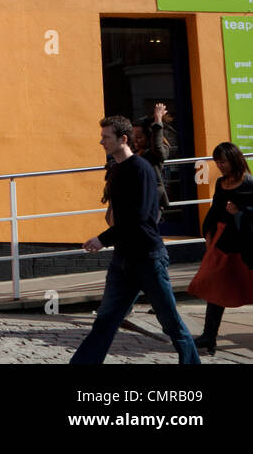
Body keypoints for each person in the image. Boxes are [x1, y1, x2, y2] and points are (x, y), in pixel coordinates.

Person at [69, 115, 201, 364]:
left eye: (106, 137)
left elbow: (139, 218)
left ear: (123, 139)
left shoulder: (140, 169)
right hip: (123, 260)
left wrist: (103, 238)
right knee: (106, 320)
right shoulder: (117, 170)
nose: (101, 142)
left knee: (169, 320)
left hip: (148, 258)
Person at [187, 142, 253, 354]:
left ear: (233, 160)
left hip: (246, 246)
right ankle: (209, 336)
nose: (220, 166)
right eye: (217, 162)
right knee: (216, 288)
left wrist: (239, 214)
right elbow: (215, 209)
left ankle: (209, 337)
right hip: (223, 243)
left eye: (222, 162)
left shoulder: (249, 183)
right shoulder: (220, 183)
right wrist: (208, 232)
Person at [132, 102, 172, 219]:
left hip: (151, 200)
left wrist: (158, 121)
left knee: (146, 233)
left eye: (139, 137)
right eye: (133, 136)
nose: (135, 141)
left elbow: (158, 148)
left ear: (149, 136)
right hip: (135, 200)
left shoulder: (154, 153)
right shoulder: (132, 153)